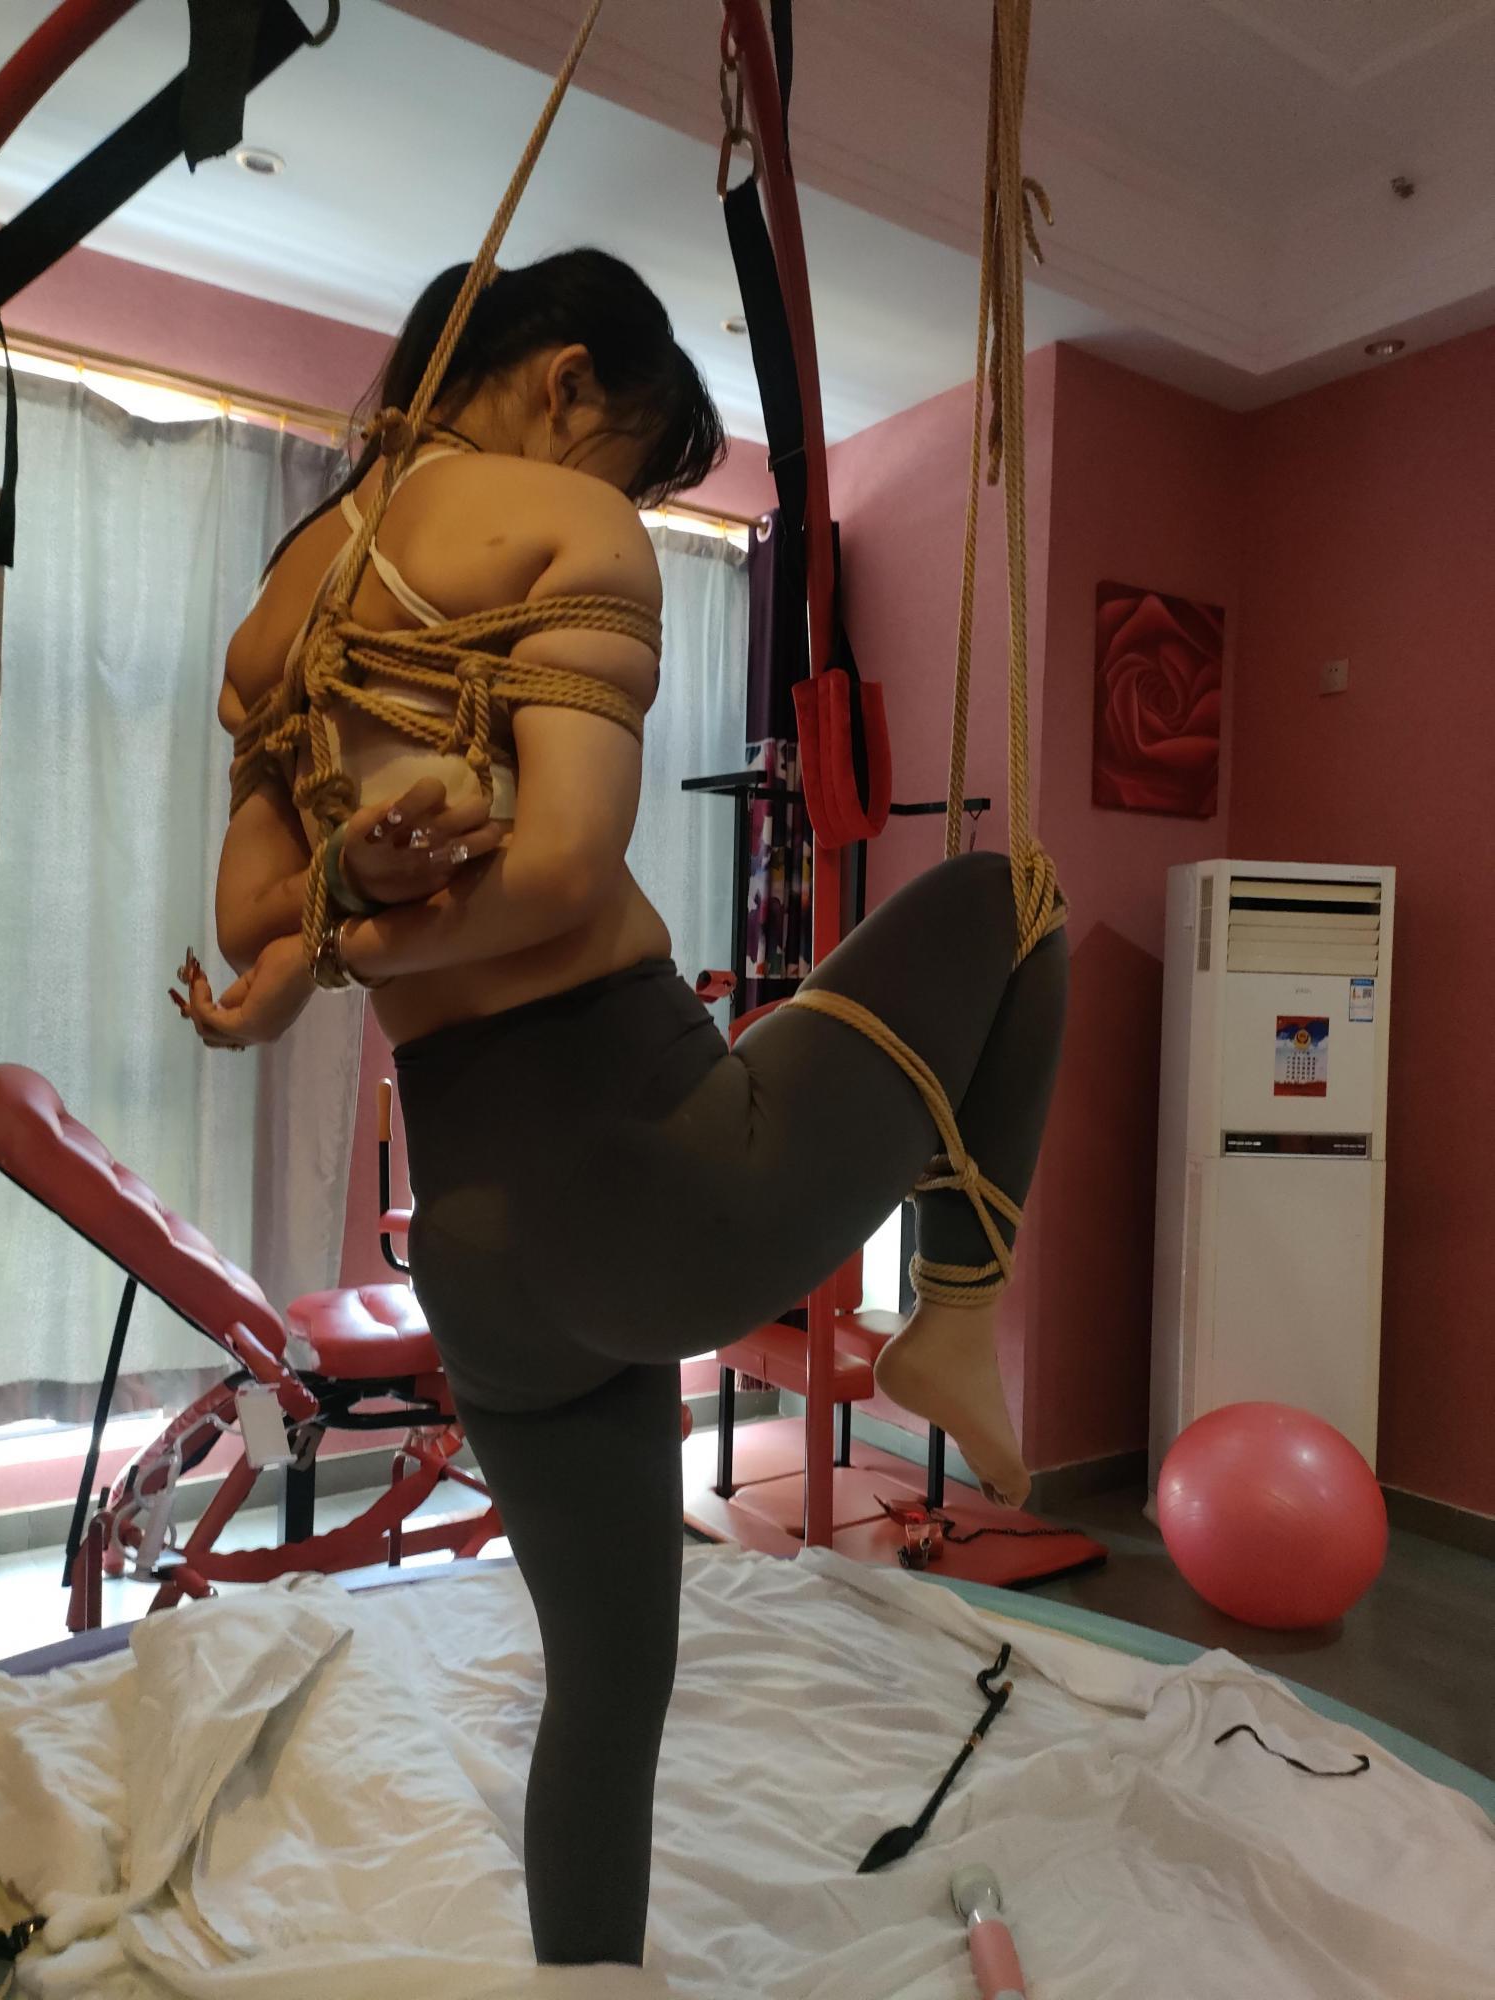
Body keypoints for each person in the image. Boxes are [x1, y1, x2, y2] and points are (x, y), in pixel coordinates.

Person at [179, 249, 1069, 1970]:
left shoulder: (288, 600)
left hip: (485, 1266)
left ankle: (585, 1980)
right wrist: (348, 927)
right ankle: (957, 1316)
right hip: (658, 1184)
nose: (620, 502)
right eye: (629, 462)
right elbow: (570, 868)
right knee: (1008, 900)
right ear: (568, 380)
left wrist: (336, 922)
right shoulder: (558, 528)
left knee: (608, 1687)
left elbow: (247, 918)